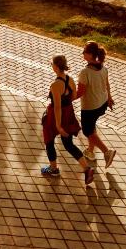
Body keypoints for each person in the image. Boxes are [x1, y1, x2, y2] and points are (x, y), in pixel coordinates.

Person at [41, 54, 94, 186]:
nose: (51, 66)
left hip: (54, 117)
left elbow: (57, 107)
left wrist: (58, 126)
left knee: (49, 141)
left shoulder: (55, 85)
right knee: (69, 144)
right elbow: (74, 96)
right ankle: (87, 169)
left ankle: (53, 169)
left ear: (56, 66)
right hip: (68, 113)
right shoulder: (70, 80)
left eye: (52, 64)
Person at [77, 40, 116, 169]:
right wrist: (109, 98)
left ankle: (107, 152)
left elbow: (80, 92)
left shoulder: (85, 72)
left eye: (84, 51)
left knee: (87, 130)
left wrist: (66, 98)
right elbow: (107, 84)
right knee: (92, 126)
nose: (82, 53)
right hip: (102, 103)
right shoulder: (103, 68)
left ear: (91, 55)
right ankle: (90, 152)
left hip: (90, 107)